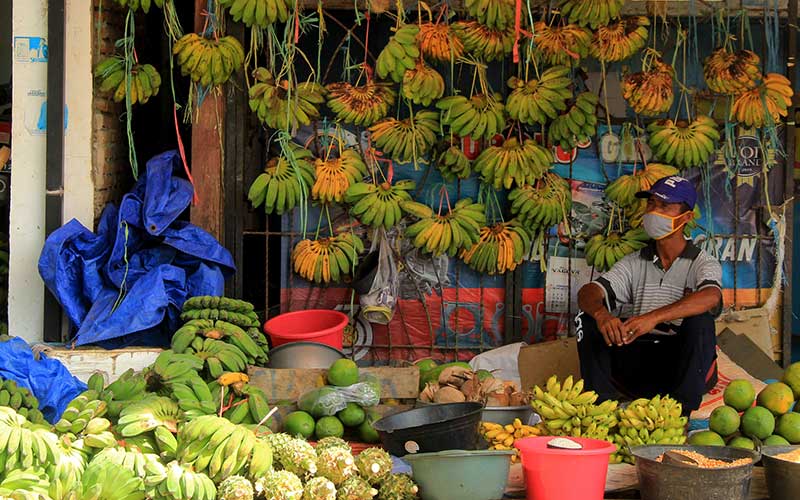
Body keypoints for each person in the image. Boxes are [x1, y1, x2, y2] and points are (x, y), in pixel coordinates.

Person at [575, 175, 722, 415]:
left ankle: (680, 413)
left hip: (680, 364)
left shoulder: (702, 263)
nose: (654, 211)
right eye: (651, 204)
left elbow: (710, 297)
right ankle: (601, 409)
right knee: (587, 317)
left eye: (664, 206)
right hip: (640, 363)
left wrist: (653, 317)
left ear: (685, 218)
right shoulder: (634, 262)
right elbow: (589, 292)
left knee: (701, 320)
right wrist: (602, 315)